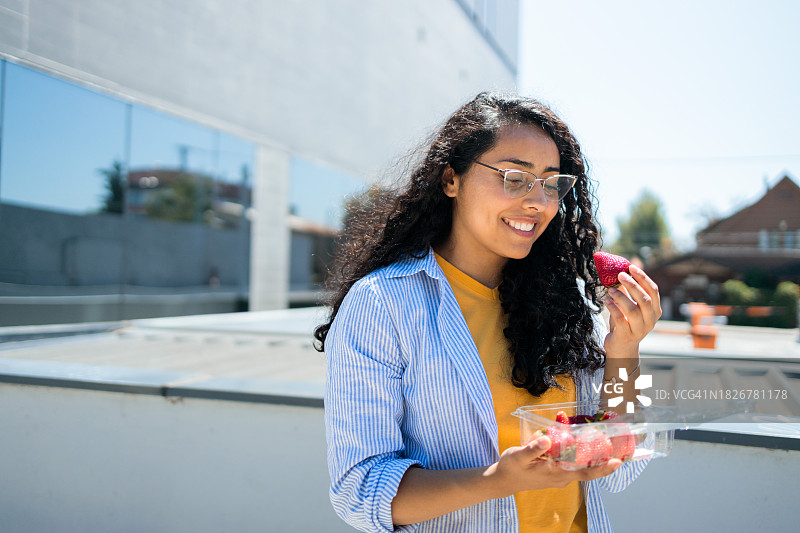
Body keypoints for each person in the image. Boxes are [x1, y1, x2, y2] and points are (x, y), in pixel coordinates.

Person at [314, 92, 662, 533]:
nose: (539, 202)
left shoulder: (566, 301)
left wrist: (625, 351)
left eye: (552, 183)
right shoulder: (383, 304)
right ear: (451, 179)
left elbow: (621, 469)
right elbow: (359, 491)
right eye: (515, 178)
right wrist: (499, 480)